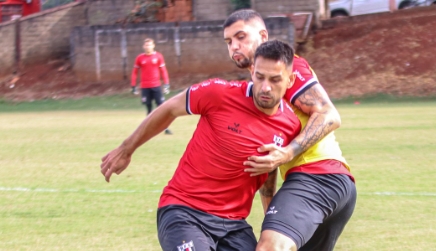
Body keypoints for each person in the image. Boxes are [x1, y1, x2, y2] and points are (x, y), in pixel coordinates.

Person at [101, 40, 301, 251]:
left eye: (275, 79)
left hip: (233, 226)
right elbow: (169, 108)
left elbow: (268, 167)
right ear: (252, 72)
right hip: (184, 211)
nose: (265, 87)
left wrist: (269, 222)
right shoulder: (219, 93)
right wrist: (126, 148)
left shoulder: (290, 125)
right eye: (259, 77)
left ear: (290, 80)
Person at [222, 9, 357, 251]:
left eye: (241, 37)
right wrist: (270, 211)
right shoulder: (260, 91)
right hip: (330, 184)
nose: (234, 46)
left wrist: (287, 153)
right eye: (229, 41)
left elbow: (329, 115)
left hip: (318, 177)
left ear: (263, 35)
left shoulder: (289, 68)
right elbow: (269, 155)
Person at [131, 38, 173, 135]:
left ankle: (165, 128)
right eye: (146, 45)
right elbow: (134, 72)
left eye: (149, 45)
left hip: (156, 86)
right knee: (148, 108)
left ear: (153, 46)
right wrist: (133, 85)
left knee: (162, 108)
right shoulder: (140, 58)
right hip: (145, 87)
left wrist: (166, 84)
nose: (148, 47)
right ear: (143, 46)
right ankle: (147, 130)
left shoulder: (158, 56)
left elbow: (163, 71)